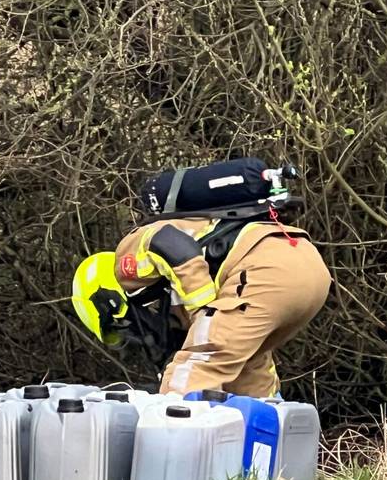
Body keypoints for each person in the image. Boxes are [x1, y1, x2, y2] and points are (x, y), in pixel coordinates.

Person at [72, 162, 331, 397]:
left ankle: (170, 431)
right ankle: (270, 424)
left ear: (109, 299)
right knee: (245, 363)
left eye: (121, 325)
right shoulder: (171, 285)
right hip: (307, 266)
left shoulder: (126, 262)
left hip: (265, 267)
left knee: (193, 369)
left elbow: (169, 244)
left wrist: (202, 312)